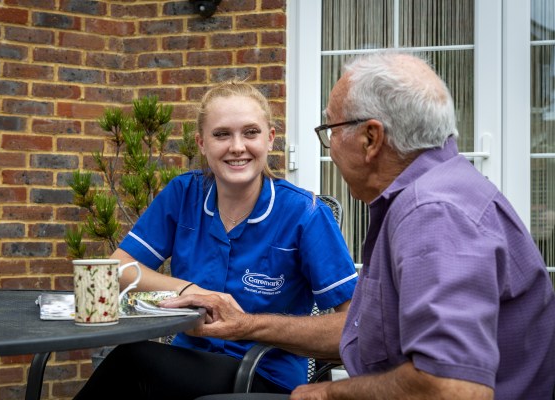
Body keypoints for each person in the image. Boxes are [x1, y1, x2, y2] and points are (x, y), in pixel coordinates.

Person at [165, 52, 555, 400]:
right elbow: (358, 329)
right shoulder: (433, 192)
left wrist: (332, 394)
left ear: (371, 138)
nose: (330, 146)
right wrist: (246, 324)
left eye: (331, 130)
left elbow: (452, 388)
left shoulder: (434, 215)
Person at [73, 80, 358, 399]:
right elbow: (118, 266)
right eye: (222, 134)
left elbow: (355, 327)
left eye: (250, 132)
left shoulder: (306, 214)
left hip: (262, 376)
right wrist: (192, 292)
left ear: (270, 139)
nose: (237, 146)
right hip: (186, 362)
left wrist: (249, 325)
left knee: (132, 363)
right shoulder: (184, 195)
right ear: (202, 143)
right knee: (133, 363)